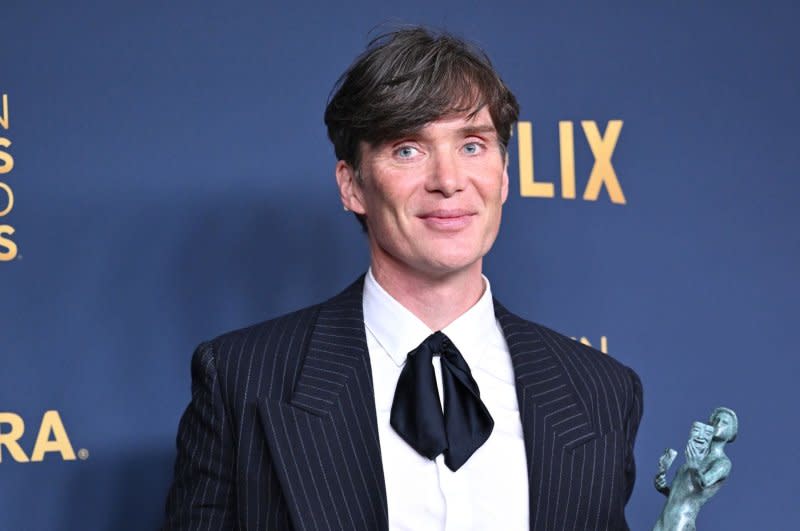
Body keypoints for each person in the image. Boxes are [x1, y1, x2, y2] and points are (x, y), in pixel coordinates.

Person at [163, 27, 643, 531]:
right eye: (408, 149)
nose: (448, 180)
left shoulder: (600, 392)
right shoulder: (244, 381)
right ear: (352, 186)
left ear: (504, 174)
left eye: (473, 146)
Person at [653, 408, 737, 531]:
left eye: (725, 423)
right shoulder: (695, 457)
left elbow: (703, 484)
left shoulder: (722, 463)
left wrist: (695, 468)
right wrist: (663, 487)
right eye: (716, 420)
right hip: (664, 517)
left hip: (682, 519)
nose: (718, 424)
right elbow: (681, 493)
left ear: (731, 434)